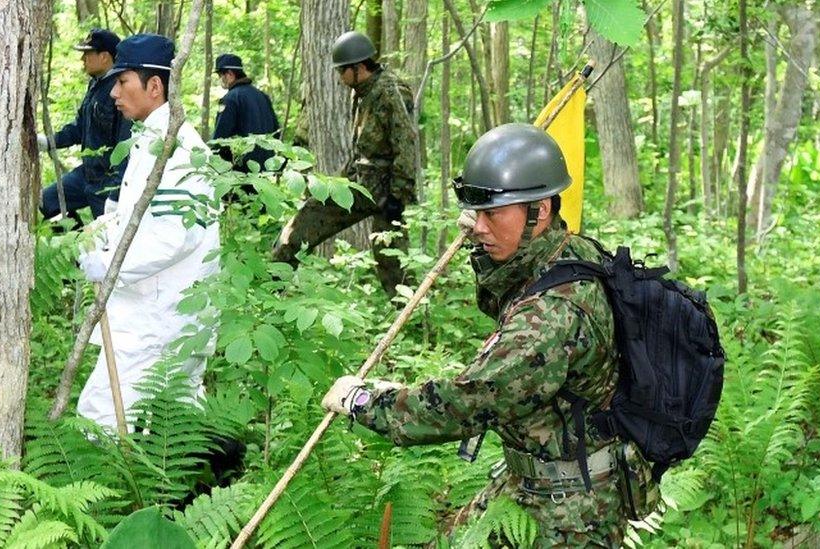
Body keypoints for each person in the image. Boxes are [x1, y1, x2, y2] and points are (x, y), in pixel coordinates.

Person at [322, 124, 654, 546]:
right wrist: (487, 234)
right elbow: (506, 293)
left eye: (492, 214)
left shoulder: (552, 318)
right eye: (475, 213)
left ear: (541, 211)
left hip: (572, 507)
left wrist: (365, 401)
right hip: (538, 474)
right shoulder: (567, 252)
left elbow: (466, 403)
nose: (478, 227)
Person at [75, 33, 220, 434]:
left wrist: (106, 264)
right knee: (174, 432)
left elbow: (174, 235)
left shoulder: (180, 150)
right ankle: (198, 491)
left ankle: (111, 495)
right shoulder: (152, 140)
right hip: (159, 312)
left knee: (101, 417)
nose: (113, 94)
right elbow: (138, 213)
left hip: (159, 317)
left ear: (154, 87)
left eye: (123, 83)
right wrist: (101, 229)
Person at [272, 31, 417, 296]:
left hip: (383, 190)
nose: (340, 78)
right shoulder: (361, 91)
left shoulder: (389, 91)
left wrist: (398, 196)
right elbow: (363, 146)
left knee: (390, 259)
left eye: (342, 71)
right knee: (301, 228)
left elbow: (406, 144)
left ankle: (412, 321)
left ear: (359, 68)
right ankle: (269, 294)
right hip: (362, 182)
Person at [38, 28, 131, 223]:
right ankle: (78, 244)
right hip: (87, 173)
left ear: (104, 57)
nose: (83, 59)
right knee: (47, 201)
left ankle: (89, 248)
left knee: (106, 237)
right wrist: (49, 142)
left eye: (88, 54)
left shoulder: (120, 90)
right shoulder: (94, 86)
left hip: (107, 179)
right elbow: (80, 127)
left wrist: (116, 190)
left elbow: (126, 145)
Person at [211, 53, 279, 172]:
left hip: (241, 174)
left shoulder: (229, 99)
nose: (220, 79)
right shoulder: (263, 96)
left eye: (220, 74)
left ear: (230, 74)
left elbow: (220, 139)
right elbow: (276, 132)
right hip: (267, 171)